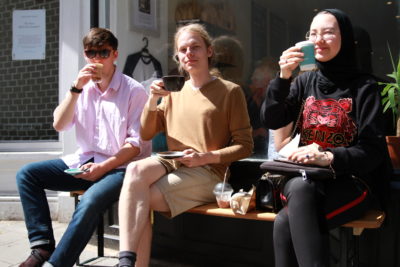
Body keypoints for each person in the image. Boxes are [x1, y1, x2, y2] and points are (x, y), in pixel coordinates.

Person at [260, 9, 391, 267]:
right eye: (313, 33)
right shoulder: (304, 81)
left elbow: (373, 151)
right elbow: (271, 120)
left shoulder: (364, 87)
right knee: (300, 187)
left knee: (284, 223)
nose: (319, 39)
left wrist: (328, 156)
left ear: (346, 39)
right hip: (305, 180)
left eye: (329, 32)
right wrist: (283, 77)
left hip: (351, 182)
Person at [116, 23, 253, 267]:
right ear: (177, 57)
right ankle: (126, 260)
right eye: (183, 50)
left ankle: (133, 264)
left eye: (195, 47)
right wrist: (152, 100)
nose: (189, 53)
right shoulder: (173, 91)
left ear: (209, 51)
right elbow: (146, 133)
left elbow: (245, 146)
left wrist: (206, 156)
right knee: (135, 171)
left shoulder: (230, 92)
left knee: (139, 198)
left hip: (208, 171)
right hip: (172, 160)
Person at [16, 27, 151, 267]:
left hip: (122, 168)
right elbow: (59, 124)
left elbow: (135, 144)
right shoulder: (82, 88)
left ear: (115, 54)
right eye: (91, 53)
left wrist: (103, 168)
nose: (97, 59)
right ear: (85, 54)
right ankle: (42, 247)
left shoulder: (134, 91)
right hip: (86, 162)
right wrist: (76, 88)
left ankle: (57, 263)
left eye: (104, 53)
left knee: (89, 200)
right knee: (27, 174)